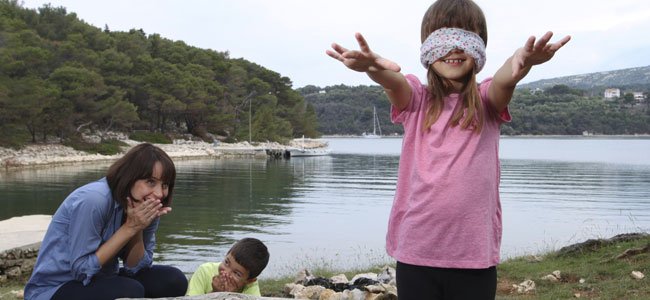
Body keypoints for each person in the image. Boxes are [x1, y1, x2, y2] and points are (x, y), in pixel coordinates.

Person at [326, 0, 570, 299]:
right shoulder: (416, 99)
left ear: (480, 47)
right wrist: (373, 69)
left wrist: (522, 60)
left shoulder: (486, 101)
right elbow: (394, 82)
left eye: (466, 37)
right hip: (417, 251)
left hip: (475, 256)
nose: (454, 48)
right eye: (442, 37)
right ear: (427, 47)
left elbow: (506, 80)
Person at [24, 143, 188, 300]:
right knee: (130, 290)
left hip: (102, 278)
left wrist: (138, 228)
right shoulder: (94, 200)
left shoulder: (146, 205)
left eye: (165, 185)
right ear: (130, 177)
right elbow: (81, 271)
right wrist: (129, 228)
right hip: (56, 287)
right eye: (150, 182)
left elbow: (137, 269)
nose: (159, 193)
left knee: (173, 280)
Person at [186, 237, 269, 296]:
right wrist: (215, 294)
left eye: (237, 273)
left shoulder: (251, 286)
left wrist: (230, 296)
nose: (226, 272)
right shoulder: (205, 271)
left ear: (249, 281)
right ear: (226, 255)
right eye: (226, 262)